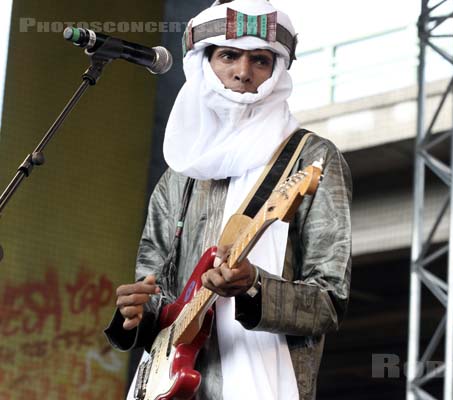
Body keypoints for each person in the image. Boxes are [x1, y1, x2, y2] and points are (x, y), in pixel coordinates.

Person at [104, 1, 352, 399]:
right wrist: (134, 313)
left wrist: (253, 285)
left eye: (260, 60)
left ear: (278, 69)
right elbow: (155, 287)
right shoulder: (180, 170)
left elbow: (329, 301)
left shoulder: (312, 159)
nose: (243, 72)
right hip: (172, 382)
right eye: (228, 56)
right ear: (204, 62)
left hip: (268, 380)